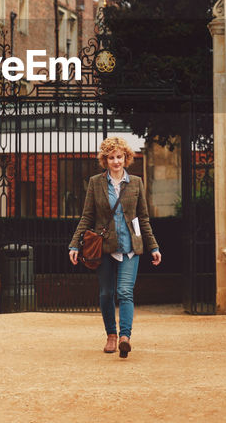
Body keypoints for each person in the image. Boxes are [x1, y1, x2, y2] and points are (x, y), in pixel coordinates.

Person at [68, 136, 161, 358]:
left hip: (130, 246)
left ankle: (124, 338)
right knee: (106, 293)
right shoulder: (95, 183)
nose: (116, 161)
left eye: (120, 157)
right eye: (111, 157)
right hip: (105, 247)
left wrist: (153, 246)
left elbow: (144, 219)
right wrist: (74, 244)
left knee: (125, 291)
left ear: (126, 158)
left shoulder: (136, 183)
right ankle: (111, 334)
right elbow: (87, 216)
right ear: (105, 160)